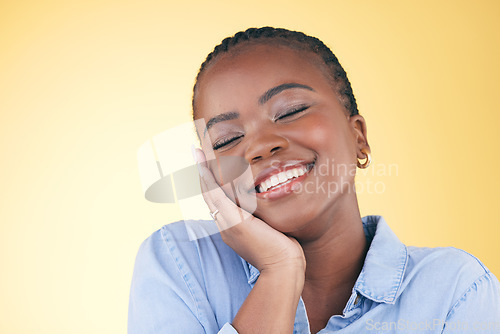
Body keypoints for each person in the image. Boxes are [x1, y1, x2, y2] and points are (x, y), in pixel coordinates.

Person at [128, 27, 500, 333]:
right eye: (226, 140)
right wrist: (279, 271)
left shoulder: (455, 290)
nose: (259, 146)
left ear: (358, 136)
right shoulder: (178, 260)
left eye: (291, 111)